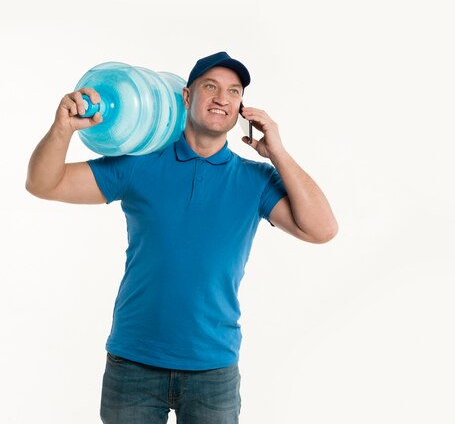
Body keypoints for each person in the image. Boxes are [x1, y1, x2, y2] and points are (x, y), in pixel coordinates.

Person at [25, 51, 338, 424]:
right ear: (187, 97)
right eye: (211, 87)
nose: (222, 97)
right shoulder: (139, 161)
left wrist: (279, 154)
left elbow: (322, 229)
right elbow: (43, 184)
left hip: (213, 370)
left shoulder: (256, 180)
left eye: (234, 92)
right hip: (133, 364)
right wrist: (63, 128)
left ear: (240, 108)